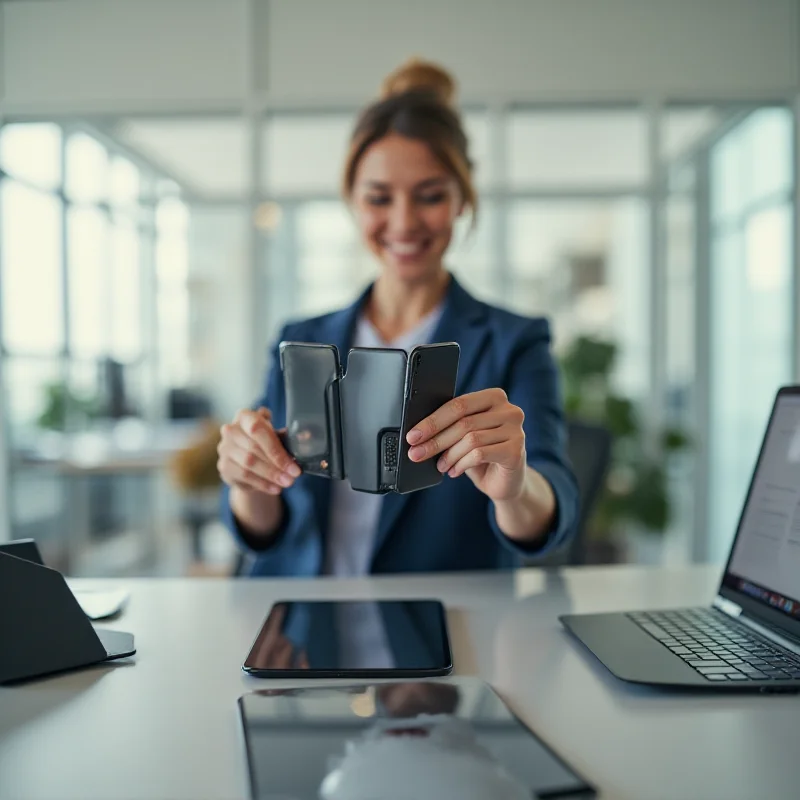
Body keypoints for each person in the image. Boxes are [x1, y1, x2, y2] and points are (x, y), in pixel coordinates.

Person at [218, 58, 579, 577]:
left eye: (430, 196)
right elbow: (263, 529)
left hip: (449, 625)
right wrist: (248, 479)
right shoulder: (299, 340)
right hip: (300, 633)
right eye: (379, 198)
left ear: (461, 199)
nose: (405, 223)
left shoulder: (514, 341)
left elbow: (551, 508)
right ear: (352, 201)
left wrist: (517, 486)